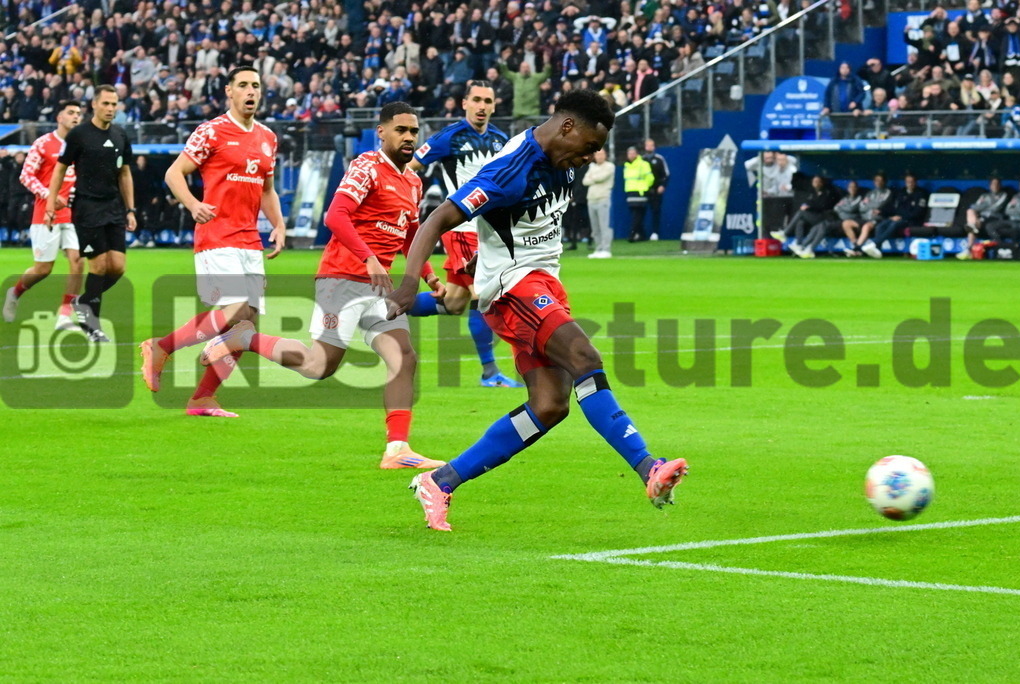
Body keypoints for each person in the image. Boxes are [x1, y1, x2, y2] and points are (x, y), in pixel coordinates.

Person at [386, 90, 688, 531]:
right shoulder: (512, 168)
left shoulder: (563, 159)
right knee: (585, 358)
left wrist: (487, 256)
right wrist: (410, 283)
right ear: (567, 126)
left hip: (544, 283)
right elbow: (437, 218)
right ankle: (647, 467)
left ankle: (440, 481)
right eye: (588, 146)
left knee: (549, 405)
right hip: (513, 288)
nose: (589, 157)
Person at [201, 102, 445, 470]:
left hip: (379, 288)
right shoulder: (366, 167)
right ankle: (244, 338)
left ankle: (397, 449)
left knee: (403, 357)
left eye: (413, 130)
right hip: (342, 280)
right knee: (319, 366)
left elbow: (410, 235)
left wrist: (428, 275)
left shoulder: (412, 181)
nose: (409, 137)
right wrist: (368, 257)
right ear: (381, 132)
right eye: (401, 130)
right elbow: (335, 215)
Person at [139, 66, 286, 418]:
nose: (251, 91)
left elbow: (267, 189)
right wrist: (193, 204)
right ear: (229, 91)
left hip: (249, 239)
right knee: (235, 308)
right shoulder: (212, 131)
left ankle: (203, 398)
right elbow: (174, 173)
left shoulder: (268, 137)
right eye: (243, 85)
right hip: (216, 234)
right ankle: (161, 347)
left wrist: (279, 224)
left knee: (246, 325)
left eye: (255, 86)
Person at [405, 81, 523, 389]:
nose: (482, 106)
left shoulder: (501, 140)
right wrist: (401, 200)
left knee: (455, 302)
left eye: (488, 101)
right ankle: (490, 373)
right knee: (483, 294)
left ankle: (382, 308)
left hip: (489, 231)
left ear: (494, 106)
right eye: (477, 100)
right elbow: (410, 167)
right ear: (465, 103)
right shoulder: (449, 137)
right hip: (461, 228)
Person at [45, 85, 136, 342]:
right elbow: (60, 169)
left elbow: (125, 173)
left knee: (117, 267)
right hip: (87, 208)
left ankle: (83, 300)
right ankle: (91, 324)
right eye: (105, 103)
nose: (110, 108)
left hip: (113, 207)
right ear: (94, 104)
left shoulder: (120, 135)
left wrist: (130, 209)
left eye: (114, 104)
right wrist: (51, 205)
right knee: (99, 264)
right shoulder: (79, 135)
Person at [3, 100, 83, 329]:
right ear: (59, 117)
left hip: (72, 213)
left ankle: (64, 315)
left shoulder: (81, 145)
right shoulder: (43, 143)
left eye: (78, 113)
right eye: (71, 112)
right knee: (43, 269)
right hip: (46, 213)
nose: (76, 117)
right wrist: (49, 195)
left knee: (78, 261)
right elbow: (26, 176)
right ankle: (15, 292)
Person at [860, 173, 929, 256]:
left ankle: (875, 243)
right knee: (881, 226)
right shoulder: (902, 192)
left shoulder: (921, 194)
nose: (910, 184)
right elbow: (894, 208)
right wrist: (882, 211)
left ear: (916, 182)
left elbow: (918, 212)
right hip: (899, 218)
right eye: (908, 182)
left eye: (912, 182)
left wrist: (901, 216)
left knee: (894, 224)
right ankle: (878, 250)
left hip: (913, 220)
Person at [957, 176, 1010, 259]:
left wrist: (983, 207)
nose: (995, 186)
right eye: (993, 184)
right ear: (990, 186)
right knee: (970, 212)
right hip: (982, 218)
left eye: (997, 184)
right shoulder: (984, 196)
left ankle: (969, 249)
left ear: (1000, 185)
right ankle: (970, 247)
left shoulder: (1003, 195)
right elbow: (974, 206)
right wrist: (983, 208)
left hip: (995, 218)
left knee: (972, 225)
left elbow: (995, 208)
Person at [843, 173, 891, 258]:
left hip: (877, 219)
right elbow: (862, 206)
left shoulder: (887, 192)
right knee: (846, 223)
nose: (878, 182)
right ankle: (856, 245)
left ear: (884, 182)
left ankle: (857, 249)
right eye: (876, 180)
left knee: (866, 226)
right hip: (865, 217)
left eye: (880, 180)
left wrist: (870, 206)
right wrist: (872, 208)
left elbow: (880, 205)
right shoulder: (870, 193)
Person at [583, 147, 615, 258]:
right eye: (598, 154)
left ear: (605, 155)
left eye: (602, 154)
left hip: (603, 198)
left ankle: (606, 249)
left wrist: (593, 178)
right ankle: (599, 248)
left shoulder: (610, 166)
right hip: (591, 199)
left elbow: (601, 177)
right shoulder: (592, 167)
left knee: (604, 225)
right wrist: (593, 178)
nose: (600, 156)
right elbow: (585, 181)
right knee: (595, 227)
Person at [623, 145, 654, 242]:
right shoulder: (627, 166)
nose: (631, 155)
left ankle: (632, 234)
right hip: (630, 193)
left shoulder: (643, 164)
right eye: (629, 153)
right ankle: (642, 235)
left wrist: (644, 187)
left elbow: (650, 178)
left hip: (640, 193)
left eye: (633, 153)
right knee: (636, 216)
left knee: (637, 215)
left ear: (637, 154)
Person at [643, 137, 670, 241]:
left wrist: (662, 185)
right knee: (641, 212)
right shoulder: (641, 159)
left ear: (654, 147)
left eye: (651, 145)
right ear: (645, 147)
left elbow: (666, 174)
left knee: (655, 211)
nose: (649, 147)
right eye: (647, 145)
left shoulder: (659, 159)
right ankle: (641, 233)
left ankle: (655, 232)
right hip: (644, 190)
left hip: (656, 190)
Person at [984, 177, 1020, 246]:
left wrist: (1016, 210)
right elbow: (1007, 210)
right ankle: (1000, 245)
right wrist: (1018, 211)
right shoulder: (1017, 196)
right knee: (990, 226)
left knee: (1018, 227)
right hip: (1011, 220)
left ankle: (1018, 247)